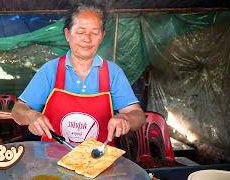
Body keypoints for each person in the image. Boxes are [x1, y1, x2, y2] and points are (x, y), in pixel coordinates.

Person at [11, 2, 146, 145]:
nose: (87, 39)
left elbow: (138, 115)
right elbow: (17, 111)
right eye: (80, 32)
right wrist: (31, 116)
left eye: (94, 33)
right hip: (51, 159)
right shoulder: (50, 71)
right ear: (67, 34)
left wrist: (126, 119)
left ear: (102, 37)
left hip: (98, 161)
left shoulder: (113, 73)